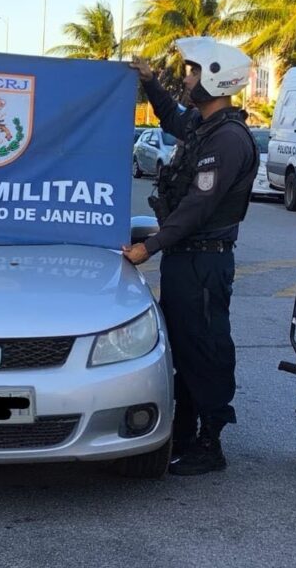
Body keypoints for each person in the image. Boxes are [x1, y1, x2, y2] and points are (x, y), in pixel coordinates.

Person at [123, 37, 257, 476]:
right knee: (180, 346)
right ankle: (182, 433)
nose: (188, 78)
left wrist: (150, 246)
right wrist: (150, 82)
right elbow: (172, 117)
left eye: (194, 71)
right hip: (186, 260)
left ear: (216, 77)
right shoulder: (205, 127)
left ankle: (209, 443)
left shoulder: (229, 140)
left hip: (204, 262)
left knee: (205, 348)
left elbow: (197, 209)